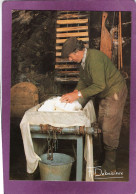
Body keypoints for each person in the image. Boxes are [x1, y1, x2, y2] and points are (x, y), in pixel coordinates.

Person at [60, 37, 128, 173]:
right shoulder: (84, 61)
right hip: (104, 93)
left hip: (114, 92)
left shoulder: (94, 59)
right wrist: (75, 92)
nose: (70, 59)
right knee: (102, 124)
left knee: (109, 127)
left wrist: (77, 95)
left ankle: (110, 166)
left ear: (78, 51)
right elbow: (84, 81)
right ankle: (104, 159)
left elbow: (99, 85)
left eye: (70, 56)